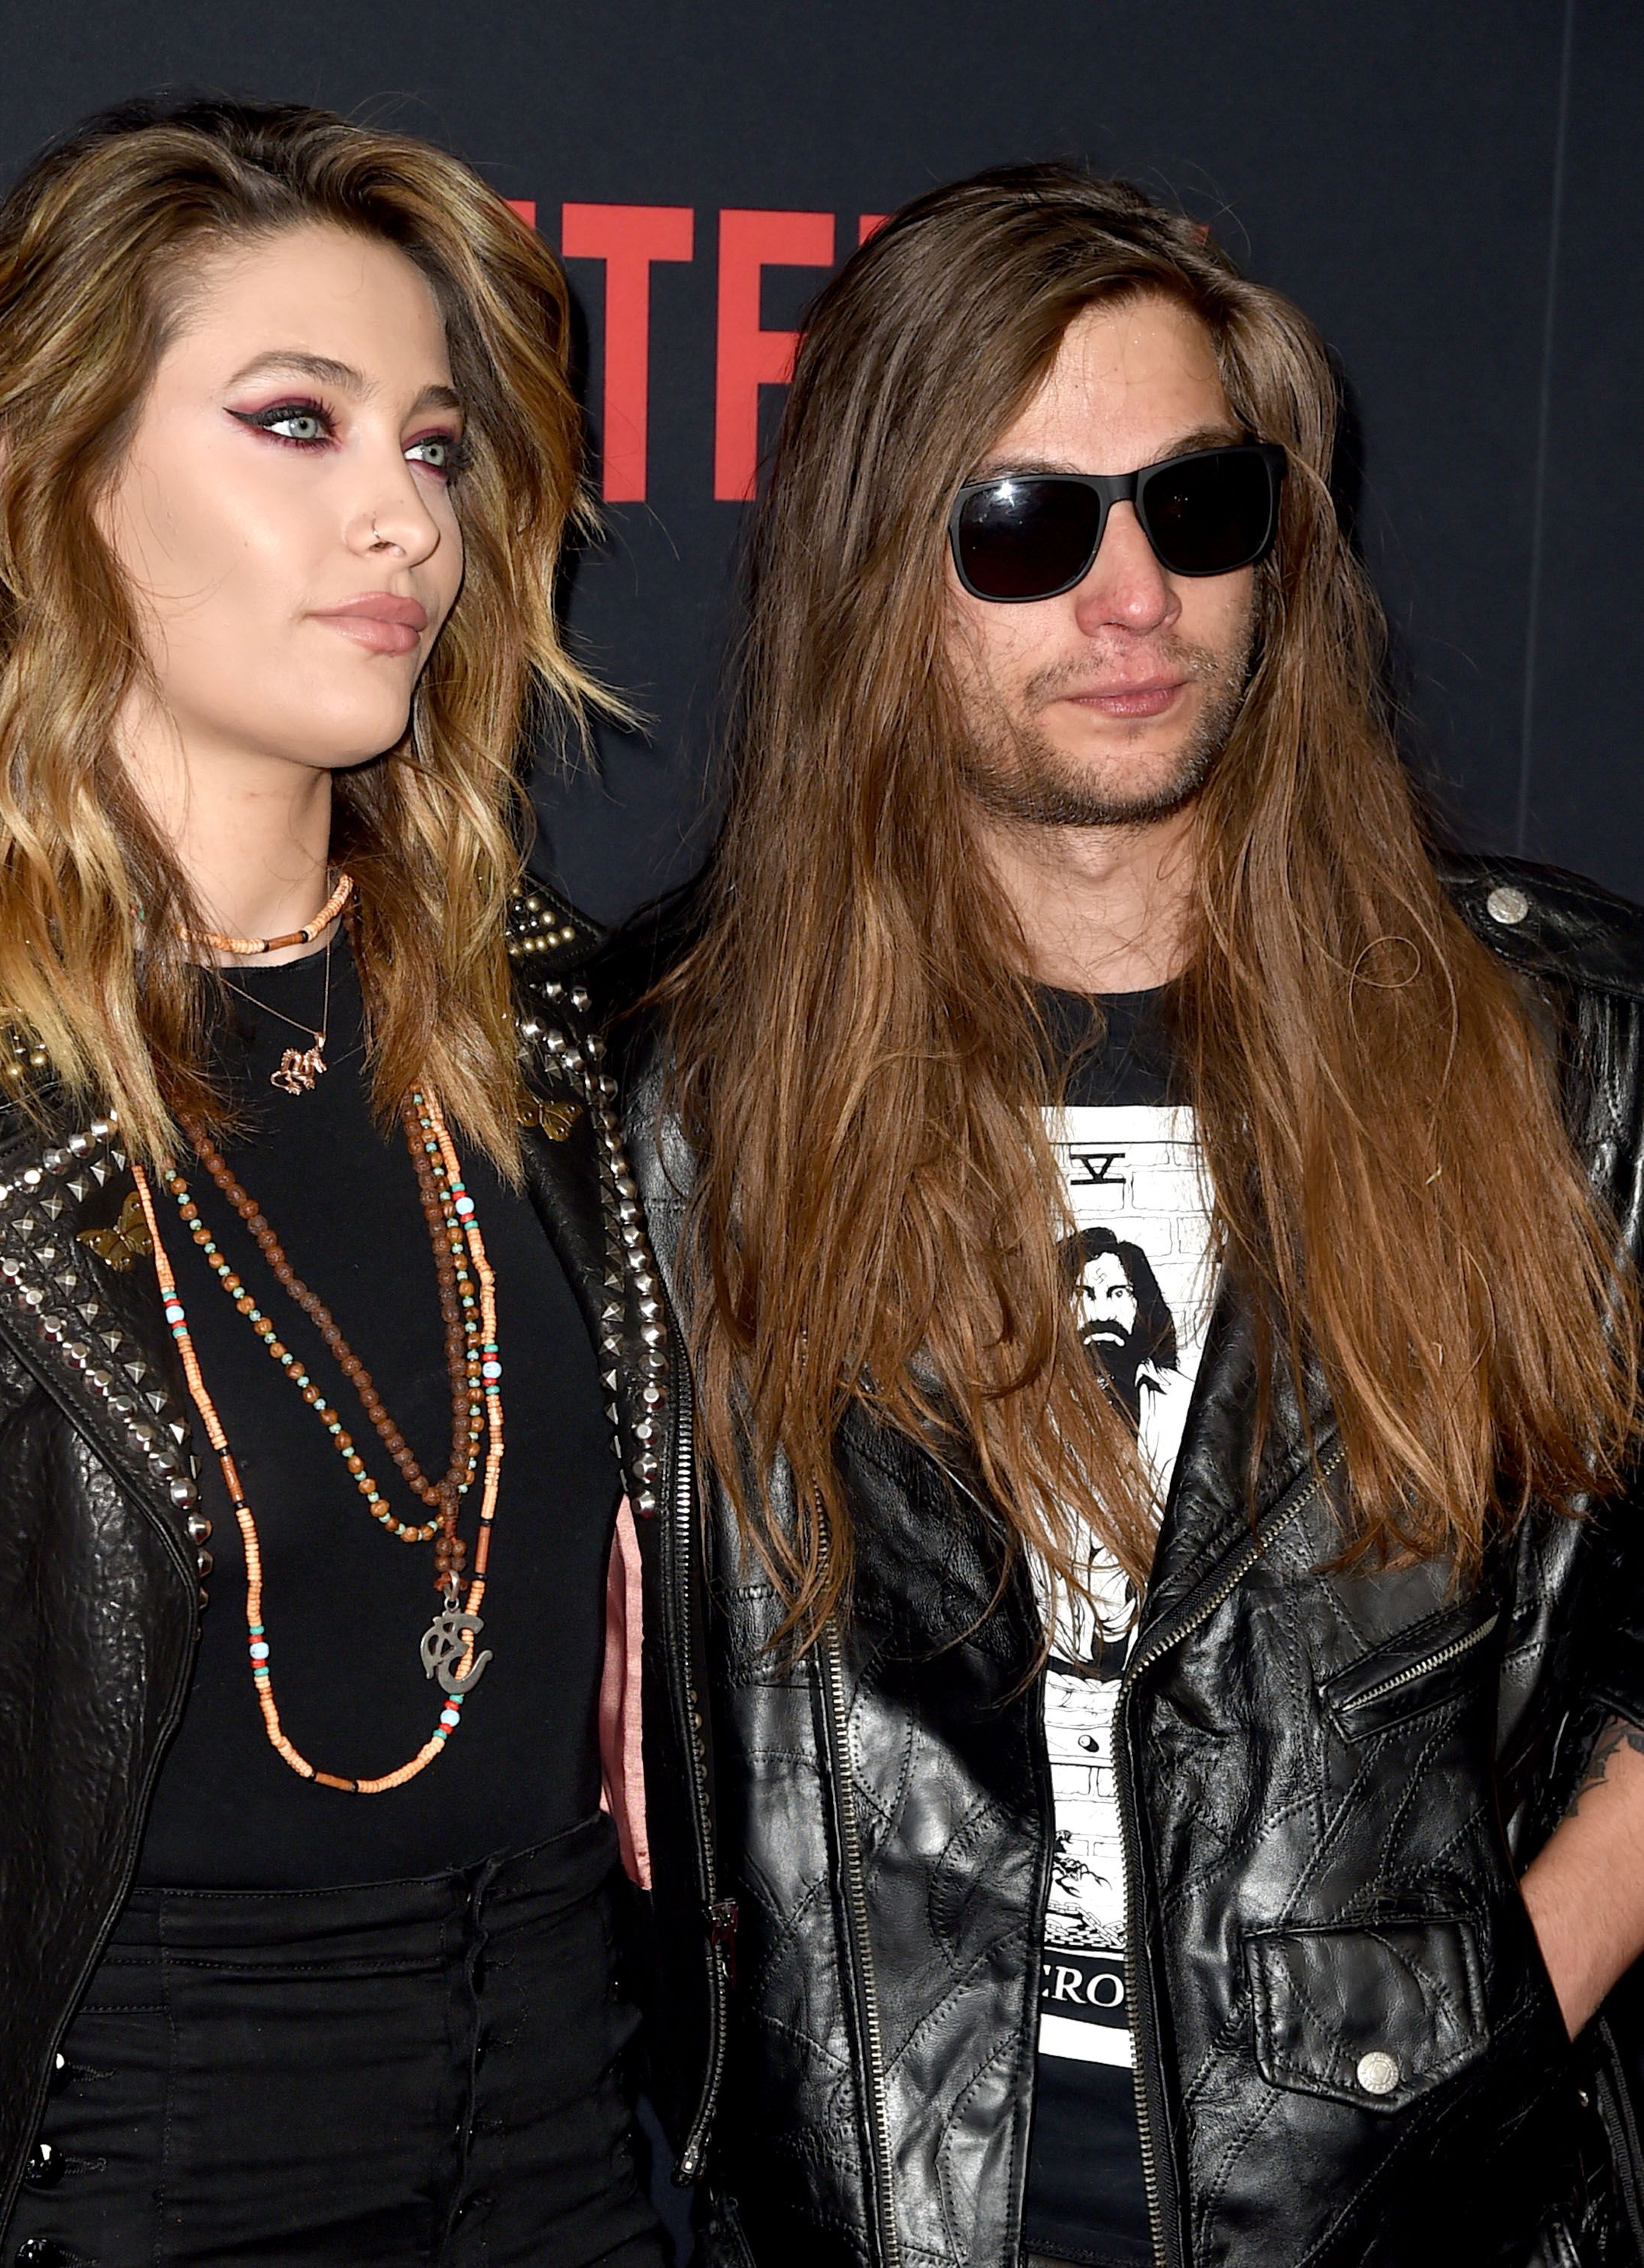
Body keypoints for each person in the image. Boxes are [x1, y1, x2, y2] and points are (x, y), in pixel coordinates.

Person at [629, 164, 1644, 2266]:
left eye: (1198, 512)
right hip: (881, 2195)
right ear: (869, 572)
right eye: (1023, 527)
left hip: (1421, 2198)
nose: (1132, 603)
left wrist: (1482, 2035)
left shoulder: (1557, 1050)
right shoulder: (671, 1097)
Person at [0, 98, 670, 2267]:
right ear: (59, 484)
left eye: (432, 448)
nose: (401, 522)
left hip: (566, 2143)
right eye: (294, 424)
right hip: (118, 2165)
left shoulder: (559, 1032)